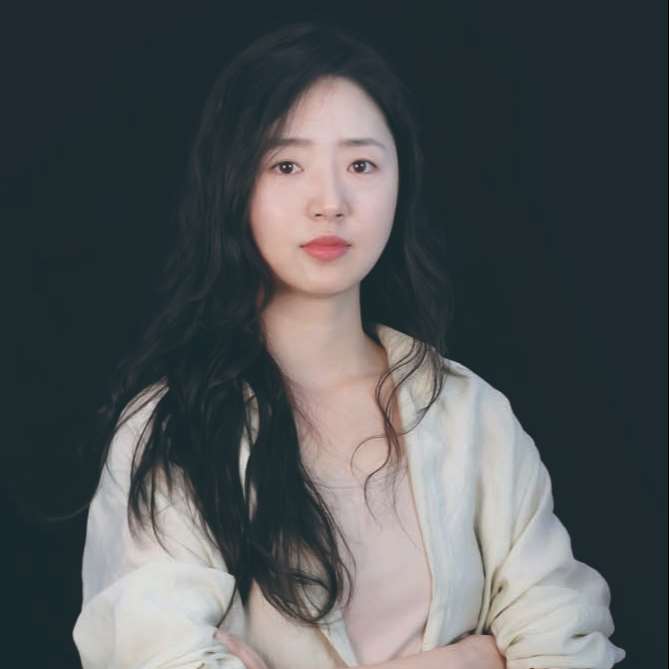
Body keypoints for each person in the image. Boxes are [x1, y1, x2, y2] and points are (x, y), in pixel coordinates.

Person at [72, 20, 626, 669]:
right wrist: (464, 662)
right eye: (286, 164)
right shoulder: (174, 427)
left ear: (400, 183)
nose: (329, 202)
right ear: (234, 185)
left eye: (361, 164)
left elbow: (569, 646)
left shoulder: (471, 414)